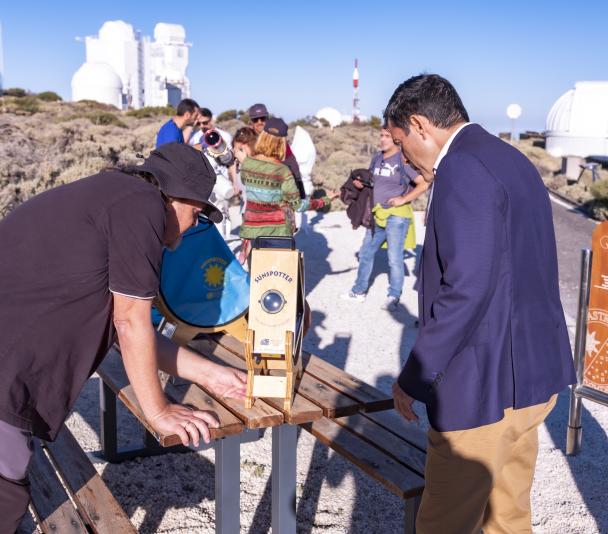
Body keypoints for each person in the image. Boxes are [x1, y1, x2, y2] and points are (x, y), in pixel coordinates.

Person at [0, 143, 248, 532]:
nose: (185, 233)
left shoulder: (109, 194)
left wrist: (210, 374)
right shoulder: (143, 205)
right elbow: (131, 320)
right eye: (196, 215)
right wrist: (159, 412)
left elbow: (125, 329)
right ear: (176, 196)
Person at [386, 74, 576, 534]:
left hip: (482, 390)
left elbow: (465, 289)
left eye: (400, 142)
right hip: (531, 379)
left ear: (420, 125)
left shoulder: (463, 169)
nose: (403, 157)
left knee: (445, 523)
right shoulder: (510, 157)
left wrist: (415, 376)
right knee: (508, 518)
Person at [341, 128, 428, 310]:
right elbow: (373, 183)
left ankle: (393, 296)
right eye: (381, 135)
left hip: (396, 216)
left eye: (387, 136)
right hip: (376, 215)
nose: (382, 139)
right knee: (366, 253)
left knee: (394, 259)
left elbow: (423, 183)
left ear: (396, 139)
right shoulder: (377, 159)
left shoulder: (403, 160)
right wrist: (360, 184)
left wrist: (403, 199)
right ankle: (359, 291)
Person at [238, 117, 337, 262]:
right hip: (277, 232)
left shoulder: (247, 164)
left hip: (253, 231)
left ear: (263, 138)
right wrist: (325, 200)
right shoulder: (283, 171)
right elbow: (299, 205)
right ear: (282, 143)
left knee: (259, 280)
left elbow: (245, 183)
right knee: (280, 280)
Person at [247, 103, 306, 199]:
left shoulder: (278, 139)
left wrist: (300, 190)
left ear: (267, 119)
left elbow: (292, 164)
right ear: (251, 122)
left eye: (262, 118)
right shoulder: (246, 140)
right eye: (255, 119)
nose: (259, 122)